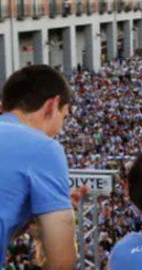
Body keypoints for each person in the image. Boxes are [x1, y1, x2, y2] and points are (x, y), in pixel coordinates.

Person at [0, 65, 77, 269]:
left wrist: (28, 218)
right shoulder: (43, 148)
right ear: (53, 105)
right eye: (64, 116)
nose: (61, 129)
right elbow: (61, 262)